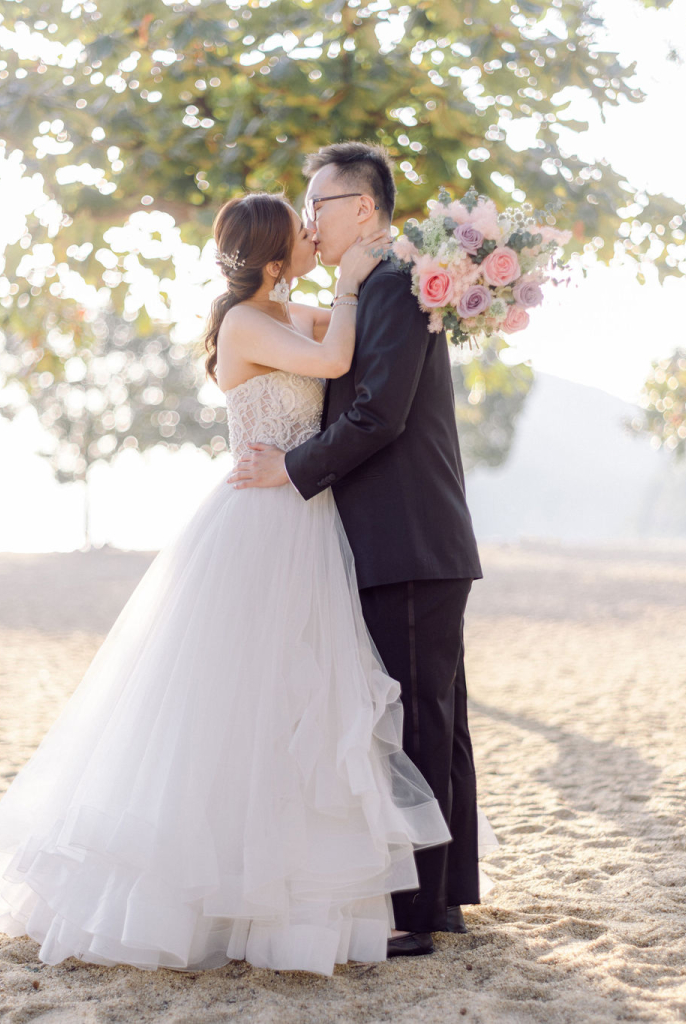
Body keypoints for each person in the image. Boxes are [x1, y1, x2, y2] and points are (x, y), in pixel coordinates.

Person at [0, 189, 495, 978]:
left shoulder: (291, 312)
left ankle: (340, 886)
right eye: (301, 227)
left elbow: (362, 346)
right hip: (261, 519)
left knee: (311, 701)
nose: (314, 231)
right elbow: (335, 361)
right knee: (243, 699)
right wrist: (349, 283)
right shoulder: (245, 323)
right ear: (276, 252)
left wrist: (431, 274)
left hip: (313, 522)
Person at [227, 142, 498, 958]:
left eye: (319, 204)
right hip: (398, 538)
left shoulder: (391, 286)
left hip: (405, 536)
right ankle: (443, 899)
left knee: (418, 720)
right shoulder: (376, 286)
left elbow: (378, 413)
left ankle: (419, 911)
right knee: (432, 717)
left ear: (364, 208)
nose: (311, 220)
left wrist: (291, 469)